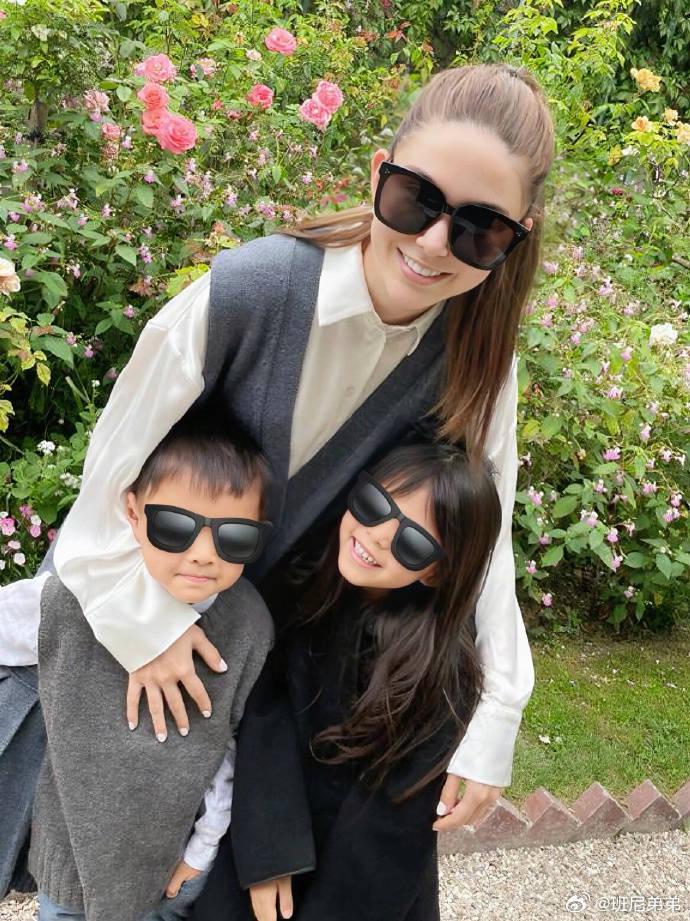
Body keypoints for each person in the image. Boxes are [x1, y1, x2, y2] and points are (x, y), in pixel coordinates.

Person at [4, 62, 556, 832]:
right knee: (80, 863)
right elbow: (109, 481)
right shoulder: (248, 292)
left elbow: (482, 537)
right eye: (416, 198)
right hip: (132, 631)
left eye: (479, 227)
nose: (434, 243)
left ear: (515, 236)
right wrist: (147, 628)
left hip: (264, 685)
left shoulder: (478, 358)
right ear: (379, 172)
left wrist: (497, 714)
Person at [194, 442, 503, 921]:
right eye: (375, 505)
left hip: (356, 884)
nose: (376, 536)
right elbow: (267, 703)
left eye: (412, 542)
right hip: (269, 837)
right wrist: (270, 846)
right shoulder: (304, 582)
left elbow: (390, 831)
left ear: (437, 571)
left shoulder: (440, 672)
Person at [0, 407, 275, 921]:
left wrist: (203, 849)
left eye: (234, 536)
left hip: (167, 870)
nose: (203, 554)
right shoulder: (72, 602)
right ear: (132, 511)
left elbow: (231, 747)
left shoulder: (247, 626)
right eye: (175, 526)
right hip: (69, 864)